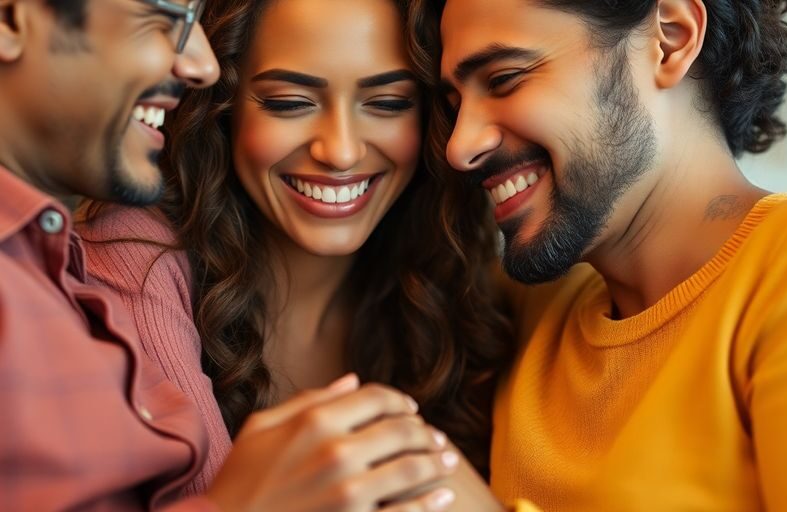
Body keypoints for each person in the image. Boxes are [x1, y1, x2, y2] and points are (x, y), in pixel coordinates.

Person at [0, 0, 467, 510]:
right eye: (290, 102)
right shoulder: (132, 260)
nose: (342, 152)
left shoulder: (460, 268)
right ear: (225, 108)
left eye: (389, 102)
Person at [407, 0, 787, 510]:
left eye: (505, 79)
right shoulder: (526, 312)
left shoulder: (783, 276)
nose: (458, 147)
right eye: (455, 104)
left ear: (671, 39)